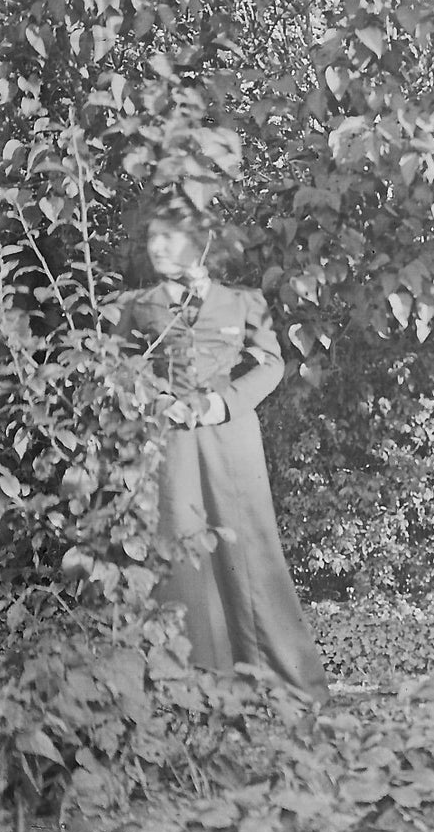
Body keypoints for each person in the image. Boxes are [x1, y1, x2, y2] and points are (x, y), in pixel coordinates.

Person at [113, 199, 330, 704]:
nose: (159, 246)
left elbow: (271, 364)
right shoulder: (136, 306)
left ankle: (285, 686)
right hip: (171, 446)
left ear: (202, 242)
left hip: (231, 443)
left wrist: (223, 402)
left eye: (171, 235)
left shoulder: (244, 302)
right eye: (153, 238)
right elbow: (118, 369)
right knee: (183, 554)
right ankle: (193, 690)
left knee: (249, 551)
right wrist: (151, 399)